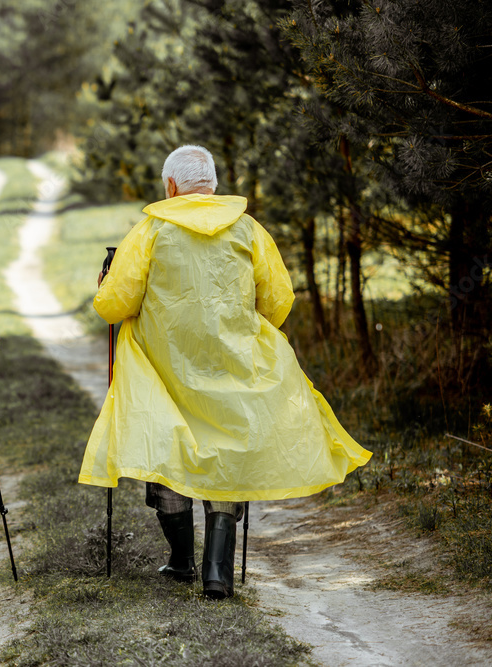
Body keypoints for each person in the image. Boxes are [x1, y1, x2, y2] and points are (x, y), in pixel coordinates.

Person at [79, 145, 372, 599]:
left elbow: (113, 306)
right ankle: (216, 572)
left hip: (164, 369)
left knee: (170, 453)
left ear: (171, 186)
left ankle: (181, 561)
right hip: (234, 368)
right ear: (212, 184)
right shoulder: (249, 230)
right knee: (227, 456)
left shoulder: (151, 231)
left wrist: (106, 282)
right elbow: (278, 302)